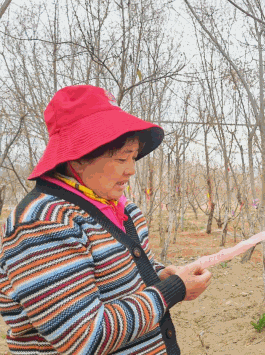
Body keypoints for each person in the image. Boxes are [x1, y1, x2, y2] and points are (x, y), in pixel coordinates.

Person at [0, 85, 212, 354]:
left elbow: (114, 272)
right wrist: (172, 291)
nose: (132, 169)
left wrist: (157, 275)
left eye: (134, 157)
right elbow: (84, 336)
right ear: (77, 158)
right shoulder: (43, 223)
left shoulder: (122, 209)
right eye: (122, 158)